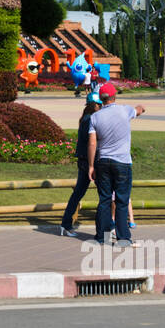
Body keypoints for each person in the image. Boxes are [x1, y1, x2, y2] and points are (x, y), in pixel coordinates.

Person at [87, 84, 146, 247]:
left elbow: (92, 143)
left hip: (103, 162)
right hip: (122, 162)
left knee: (104, 200)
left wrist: (91, 166)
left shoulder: (95, 117)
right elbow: (139, 110)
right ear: (114, 96)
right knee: (121, 200)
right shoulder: (125, 110)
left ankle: (101, 237)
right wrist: (141, 107)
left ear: (101, 98)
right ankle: (123, 238)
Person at [58, 95, 103, 235]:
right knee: (105, 194)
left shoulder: (85, 118)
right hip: (90, 161)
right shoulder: (90, 119)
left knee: (79, 192)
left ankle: (65, 224)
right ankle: (108, 226)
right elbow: (92, 141)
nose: (101, 107)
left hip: (83, 160)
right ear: (94, 105)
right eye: (99, 105)